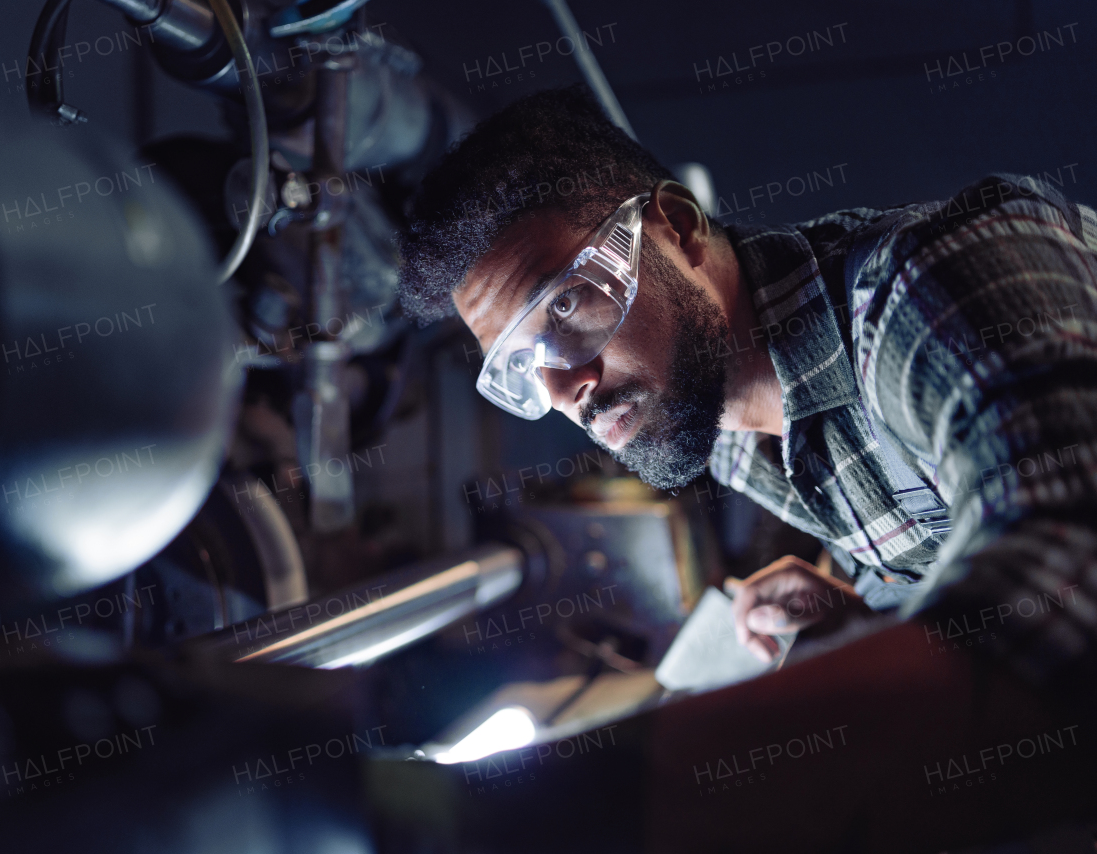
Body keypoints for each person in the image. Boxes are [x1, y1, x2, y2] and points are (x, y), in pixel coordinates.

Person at [397, 85, 1097, 849]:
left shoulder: (927, 285)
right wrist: (867, 623)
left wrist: (583, 803)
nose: (565, 389)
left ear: (679, 229)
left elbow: (1072, 574)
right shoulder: (724, 433)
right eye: (522, 366)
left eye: (566, 308)